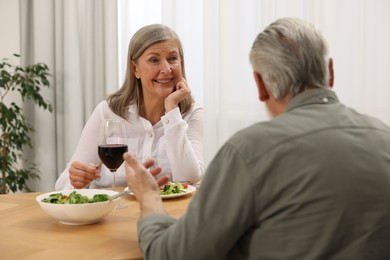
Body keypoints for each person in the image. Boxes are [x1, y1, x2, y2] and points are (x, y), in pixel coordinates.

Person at [123, 17, 390, 259]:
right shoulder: (384, 138)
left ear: (260, 85)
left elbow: (173, 255)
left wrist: (148, 196)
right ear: (330, 72)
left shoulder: (249, 151)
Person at [55, 24, 204, 190]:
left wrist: (172, 111)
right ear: (135, 69)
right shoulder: (107, 111)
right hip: (114, 212)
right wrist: (77, 180)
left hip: (166, 213)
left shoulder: (191, 113)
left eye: (172, 58)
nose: (167, 69)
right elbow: (62, 185)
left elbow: (190, 178)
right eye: (154, 60)